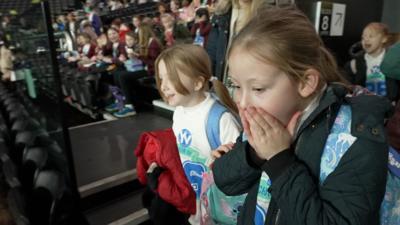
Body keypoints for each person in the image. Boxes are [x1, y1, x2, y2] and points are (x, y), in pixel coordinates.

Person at [212, 6, 391, 225]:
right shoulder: (270, 119)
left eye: (258, 88)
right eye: (235, 85)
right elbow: (225, 181)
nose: (242, 101)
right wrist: (255, 154)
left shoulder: (357, 139)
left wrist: (279, 160)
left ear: (306, 83)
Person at [154, 44, 241, 224]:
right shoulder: (179, 112)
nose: (164, 86)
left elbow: (240, 168)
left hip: (227, 209)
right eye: (161, 79)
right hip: (202, 200)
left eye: (172, 78)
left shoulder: (219, 119)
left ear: (198, 82)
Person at [206, 0, 266, 82]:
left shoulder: (264, 14)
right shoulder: (222, 11)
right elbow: (212, 52)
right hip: (222, 79)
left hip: (247, 81)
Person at [345, 22, 399, 103]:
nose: (366, 39)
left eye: (371, 36)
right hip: (365, 103)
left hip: (388, 104)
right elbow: (349, 84)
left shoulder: (391, 60)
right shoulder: (356, 63)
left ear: (384, 39)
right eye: (363, 37)